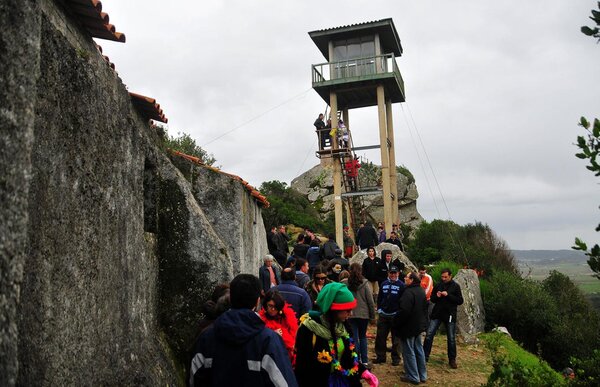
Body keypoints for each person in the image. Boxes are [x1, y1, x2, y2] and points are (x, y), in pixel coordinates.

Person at [189, 274, 297, 387]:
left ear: (231, 298)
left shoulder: (207, 337)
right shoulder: (268, 340)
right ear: (257, 301)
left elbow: (194, 378)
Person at [294, 282, 379, 387]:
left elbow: (350, 357)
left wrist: (362, 371)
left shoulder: (343, 327)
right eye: (347, 310)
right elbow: (302, 368)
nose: (350, 314)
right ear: (333, 310)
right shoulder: (308, 329)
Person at [423, 268, 464, 369]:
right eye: (442, 277)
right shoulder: (438, 285)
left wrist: (448, 295)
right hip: (437, 313)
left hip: (449, 314)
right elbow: (432, 298)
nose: (444, 279)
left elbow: (460, 300)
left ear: (450, 276)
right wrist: (437, 296)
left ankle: (452, 359)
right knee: (429, 334)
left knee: (451, 338)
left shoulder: (455, 286)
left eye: (446, 277)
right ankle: (424, 356)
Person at [393, 272, 428, 385]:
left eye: (406, 277)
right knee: (419, 349)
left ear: (412, 280)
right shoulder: (420, 290)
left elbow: (404, 311)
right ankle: (422, 375)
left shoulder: (408, 292)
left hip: (408, 327)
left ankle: (413, 376)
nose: (404, 278)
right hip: (418, 326)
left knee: (408, 351)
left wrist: (396, 322)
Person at [343, 263, 375, 368]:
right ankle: (364, 361)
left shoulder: (346, 284)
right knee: (363, 337)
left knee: (354, 338)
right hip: (363, 314)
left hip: (350, 314)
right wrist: (372, 316)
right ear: (361, 271)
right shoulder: (365, 284)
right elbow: (370, 301)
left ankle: (355, 360)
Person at [374, 266, 405, 366]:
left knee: (396, 339)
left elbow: (403, 301)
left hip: (395, 315)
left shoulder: (402, 285)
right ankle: (380, 356)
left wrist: (399, 313)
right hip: (383, 314)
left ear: (398, 274)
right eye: (391, 273)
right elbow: (379, 298)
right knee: (380, 337)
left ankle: (395, 358)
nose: (393, 275)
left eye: (394, 273)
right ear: (388, 273)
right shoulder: (384, 283)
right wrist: (379, 309)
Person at [259, 289, 299, 364]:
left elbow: (294, 333)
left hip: (289, 357)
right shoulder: (261, 320)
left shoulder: (286, 315)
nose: (273, 309)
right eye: (270, 306)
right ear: (265, 305)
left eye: (275, 306)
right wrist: (272, 334)